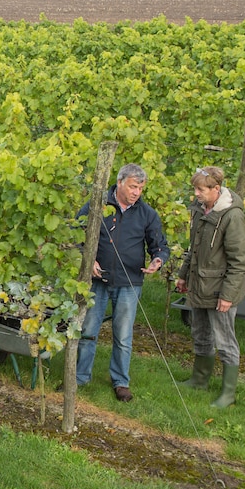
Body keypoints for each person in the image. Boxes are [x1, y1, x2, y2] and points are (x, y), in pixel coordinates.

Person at [74, 164, 170, 402]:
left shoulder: (147, 214)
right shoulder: (97, 205)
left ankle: (120, 382)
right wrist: (88, 259)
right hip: (97, 280)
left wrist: (157, 260)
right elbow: (75, 234)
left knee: (123, 335)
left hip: (129, 283)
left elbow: (159, 245)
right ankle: (80, 377)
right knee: (88, 330)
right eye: (133, 186)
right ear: (119, 183)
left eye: (140, 188)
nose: (136, 192)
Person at [175, 166, 245, 408]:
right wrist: (183, 275)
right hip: (199, 284)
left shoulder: (231, 216)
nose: (196, 193)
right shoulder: (200, 210)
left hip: (220, 290)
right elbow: (194, 248)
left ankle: (228, 393)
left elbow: (239, 262)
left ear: (216, 189)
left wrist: (227, 296)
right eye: (195, 189)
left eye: (200, 189)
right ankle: (199, 379)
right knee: (200, 333)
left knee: (225, 340)